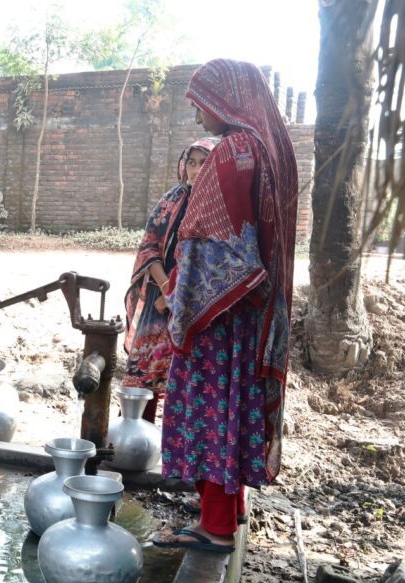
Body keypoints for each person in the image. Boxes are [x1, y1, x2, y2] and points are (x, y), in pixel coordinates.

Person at [152, 59, 298, 553]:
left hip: (220, 312)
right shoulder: (268, 147)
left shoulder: (235, 149)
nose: (198, 119)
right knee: (235, 404)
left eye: (200, 106)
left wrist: (182, 300)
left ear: (223, 99)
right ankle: (227, 509)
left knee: (211, 404)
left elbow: (211, 240)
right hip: (249, 309)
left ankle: (214, 526)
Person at [122, 137, 219, 423]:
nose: (196, 169)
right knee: (144, 373)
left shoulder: (219, 208)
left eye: (204, 163)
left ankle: (179, 450)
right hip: (159, 302)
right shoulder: (171, 200)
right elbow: (150, 245)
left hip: (196, 304)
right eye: (191, 162)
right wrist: (167, 289)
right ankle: (134, 435)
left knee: (187, 378)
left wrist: (179, 296)